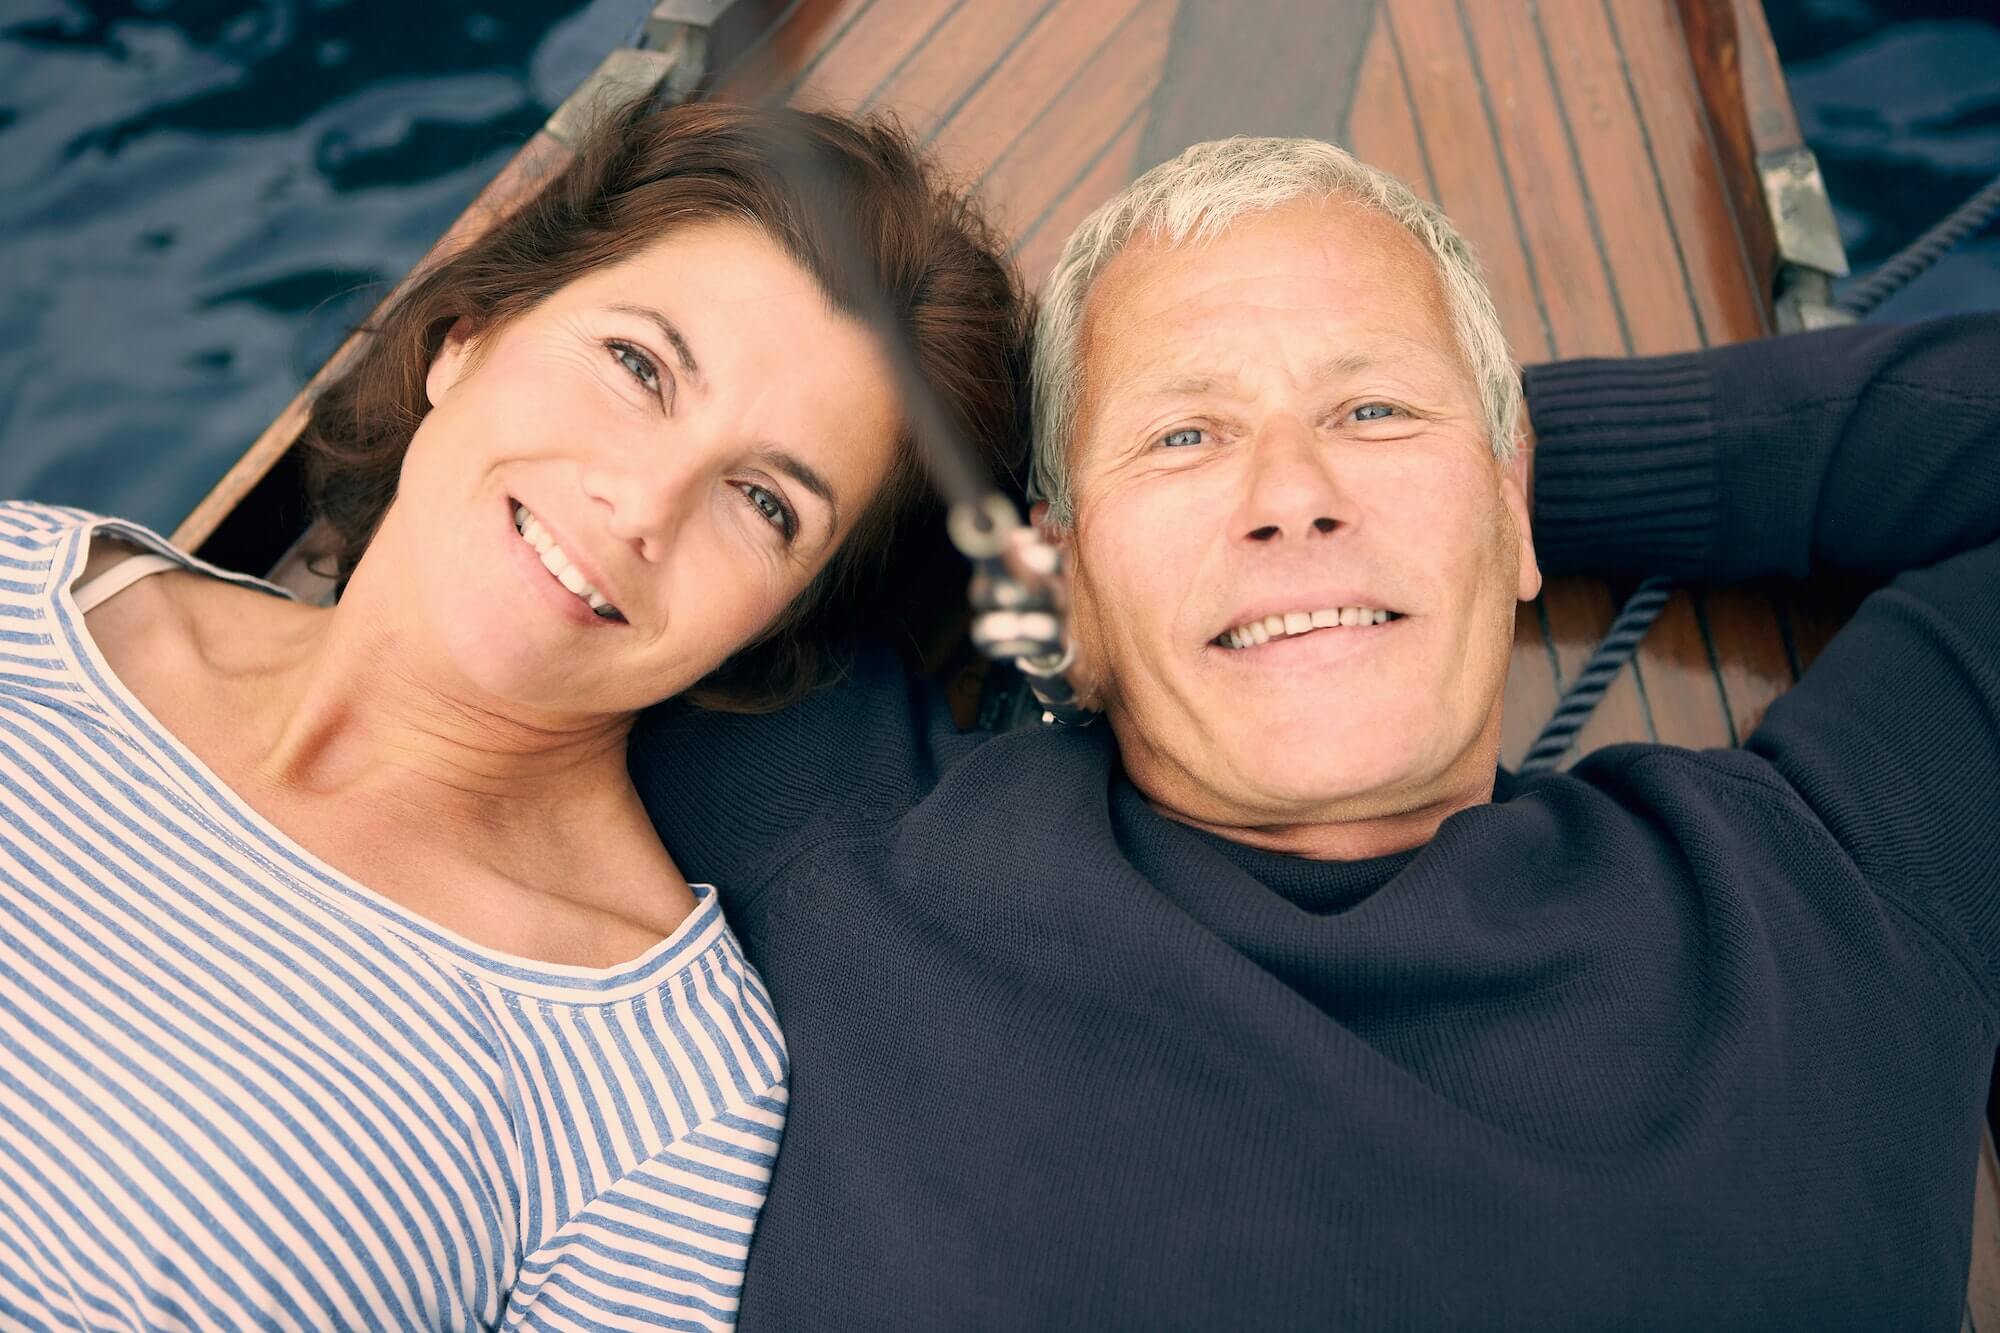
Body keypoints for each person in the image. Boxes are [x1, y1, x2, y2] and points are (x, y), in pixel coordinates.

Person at [630, 136, 2000, 1330]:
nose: (1293, 491)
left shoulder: (1837, 891)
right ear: (1063, 579)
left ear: (1512, 498)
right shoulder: (853, 853)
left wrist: (1493, 474)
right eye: (1185, 438)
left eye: (1373, 410)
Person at [0, 98, 1025, 1332]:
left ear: (779, 621)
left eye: (761, 501)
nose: (641, 502)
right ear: (467, 335)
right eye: (638, 367)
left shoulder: (660, 1091)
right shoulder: (26, 588)